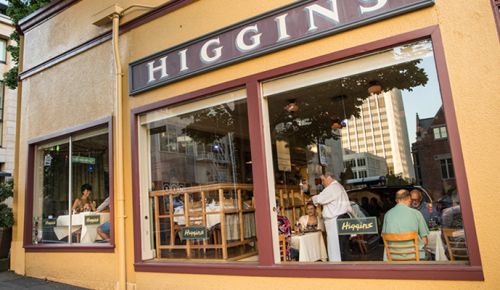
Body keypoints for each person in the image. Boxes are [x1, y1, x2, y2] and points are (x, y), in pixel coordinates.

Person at [310, 172, 352, 262]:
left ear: (328, 177)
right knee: (343, 246)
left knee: (336, 248)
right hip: (342, 218)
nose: (322, 182)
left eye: (323, 180)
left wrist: (312, 198)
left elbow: (320, 199)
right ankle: (345, 267)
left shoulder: (332, 188)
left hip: (335, 221)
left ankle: (338, 269)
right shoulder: (340, 187)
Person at [382, 189, 430, 260]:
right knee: (430, 255)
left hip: (393, 257)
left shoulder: (387, 215)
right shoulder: (416, 213)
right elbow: (425, 241)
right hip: (414, 257)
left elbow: (383, 237)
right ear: (409, 199)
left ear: (396, 200)